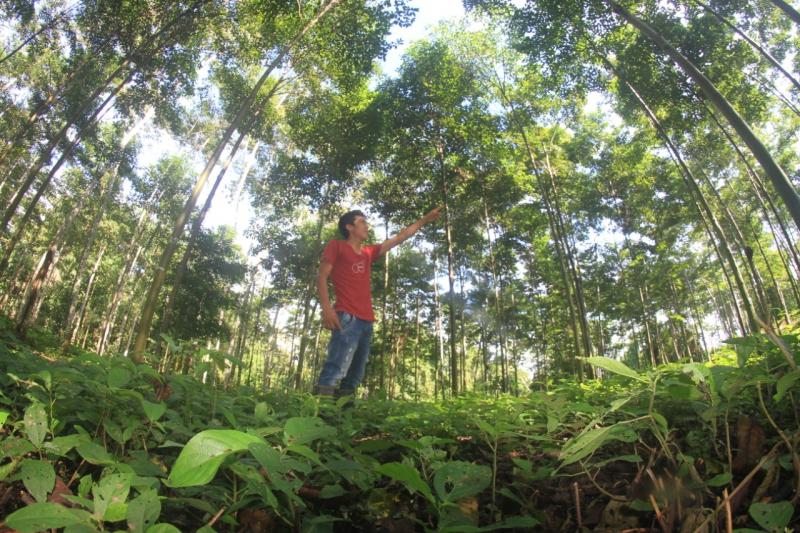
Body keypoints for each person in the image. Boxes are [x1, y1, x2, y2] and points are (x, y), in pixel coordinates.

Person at [314, 207, 442, 398]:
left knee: (355, 375)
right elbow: (322, 276)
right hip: (346, 317)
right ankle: (319, 420)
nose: (367, 225)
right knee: (335, 368)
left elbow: (400, 237)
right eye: (362, 222)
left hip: (366, 322)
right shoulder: (337, 246)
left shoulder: (368, 252)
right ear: (349, 227)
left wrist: (425, 219)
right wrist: (326, 309)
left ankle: (342, 420)